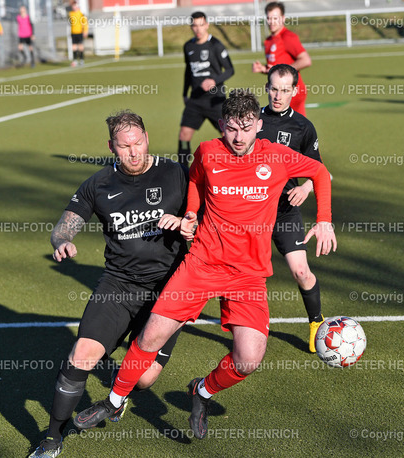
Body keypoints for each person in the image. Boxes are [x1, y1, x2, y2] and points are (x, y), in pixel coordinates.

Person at [73, 89, 336, 439]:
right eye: (231, 128)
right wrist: (193, 212)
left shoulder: (278, 157)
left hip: (249, 274)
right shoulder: (209, 151)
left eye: (246, 128)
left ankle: (202, 391)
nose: (238, 137)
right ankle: (115, 399)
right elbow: (196, 179)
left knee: (248, 359)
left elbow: (319, 172)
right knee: (150, 336)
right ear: (222, 126)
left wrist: (325, 219)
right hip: (202, 263)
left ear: (259, 124)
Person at [29, 110, 188, 457]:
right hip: (119, 285)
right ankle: (52, 439)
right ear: (111, 147)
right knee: (80, 357)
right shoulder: (98, 184)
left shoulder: (176, 173)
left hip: (169, 292)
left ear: (147, 137)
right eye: (124, 146)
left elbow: (206, 212)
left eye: (138, 143)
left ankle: (119, 395)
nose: (134, 153)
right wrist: (62, 241)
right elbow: (64, 225)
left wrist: (189, 222)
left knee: (144, 379)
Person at [256, 63, 328, 353]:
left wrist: (306, 187)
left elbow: (318, 170)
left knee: (301, 271)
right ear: (266, 87)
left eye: (285, 90)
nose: (278, 95)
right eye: (274, 88)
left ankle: (315, 323)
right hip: (254, 212)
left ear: (295, 91)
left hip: (285, 210)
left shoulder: (302, 127)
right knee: (251, 275)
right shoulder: (253, 121)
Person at [178, 11, 234, 167]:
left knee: (228, 134)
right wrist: (184, 93)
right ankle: (182, 170)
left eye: (201, 25)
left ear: (207, 25)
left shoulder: (215, 45)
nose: (198, 29)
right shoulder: (188, 46)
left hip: (215, 100)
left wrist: (214, 81)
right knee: (184, 135)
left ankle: (235, 166)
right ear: (191, 27)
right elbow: (188, 71)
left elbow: (230, 70)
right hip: (195, 100)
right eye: (195, 25)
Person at [253, 2, 312, 116]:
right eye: (269, 18)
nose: (271, 22)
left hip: (291, 92)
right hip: (277, 92)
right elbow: (276, 68)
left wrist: (284, 70)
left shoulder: (288, 37)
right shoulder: (269, 40)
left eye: (275, 18)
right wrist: (263, 69)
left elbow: (305, 60)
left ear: (283, 18)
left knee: (295, 130)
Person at [68, 1, 88, 66]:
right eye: (73, 6)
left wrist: (85, 31)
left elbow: (85, 23)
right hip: (73, 32)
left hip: (80, 32)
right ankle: (75, 60)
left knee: (80, 47)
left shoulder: (81, 14)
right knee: (74, 47)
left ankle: (81, 60)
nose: (74, 7)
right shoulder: (71, 14)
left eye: (75, 6)